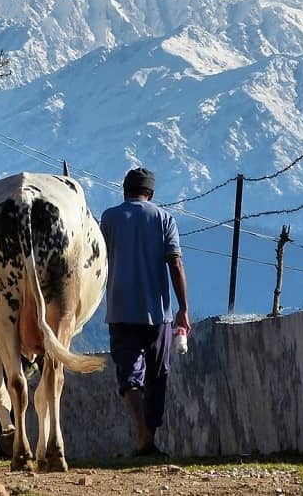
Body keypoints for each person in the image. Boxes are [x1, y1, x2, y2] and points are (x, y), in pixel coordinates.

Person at [100, 167, 190, 457]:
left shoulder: (109, 218)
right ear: (150, 193)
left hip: (120, 311)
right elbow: (175, 264)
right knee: (158, 375)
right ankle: (147, 435)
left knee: (130, 377)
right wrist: (183, 309)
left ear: (124, 191)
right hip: (158, 315)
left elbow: (97, 261)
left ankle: (143, 434)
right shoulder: (164, 219)